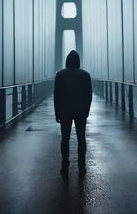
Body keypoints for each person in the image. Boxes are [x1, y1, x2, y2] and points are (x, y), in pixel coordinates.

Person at [54, 50, 92, 178]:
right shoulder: (86, 75)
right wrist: (86, 111)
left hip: (65, 111)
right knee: (81, 139)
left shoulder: (60, 75)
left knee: (65, 139)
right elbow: (89, 95)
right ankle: (82, 166)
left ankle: (65, 166)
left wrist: (57, 112)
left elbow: (56, 95)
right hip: (81, 111)